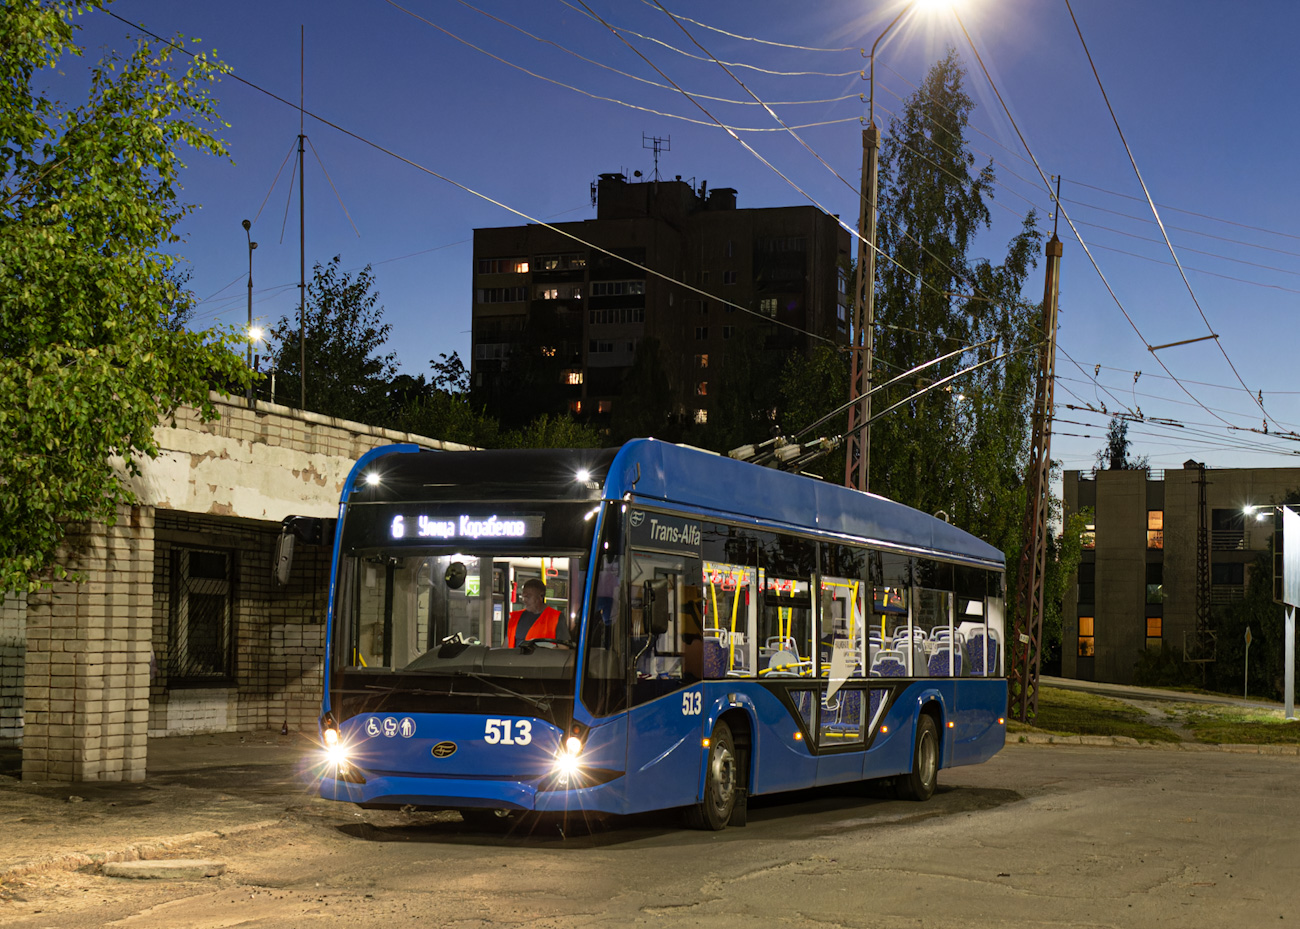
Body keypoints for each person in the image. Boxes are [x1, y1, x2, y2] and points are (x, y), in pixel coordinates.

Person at [507, 578, 566, 647]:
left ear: (541, 596)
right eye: (523, 596)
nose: (524, 600)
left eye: (528, 597)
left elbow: (563, 648)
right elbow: (506, 645)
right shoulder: (514, 618)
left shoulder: (556, 618)